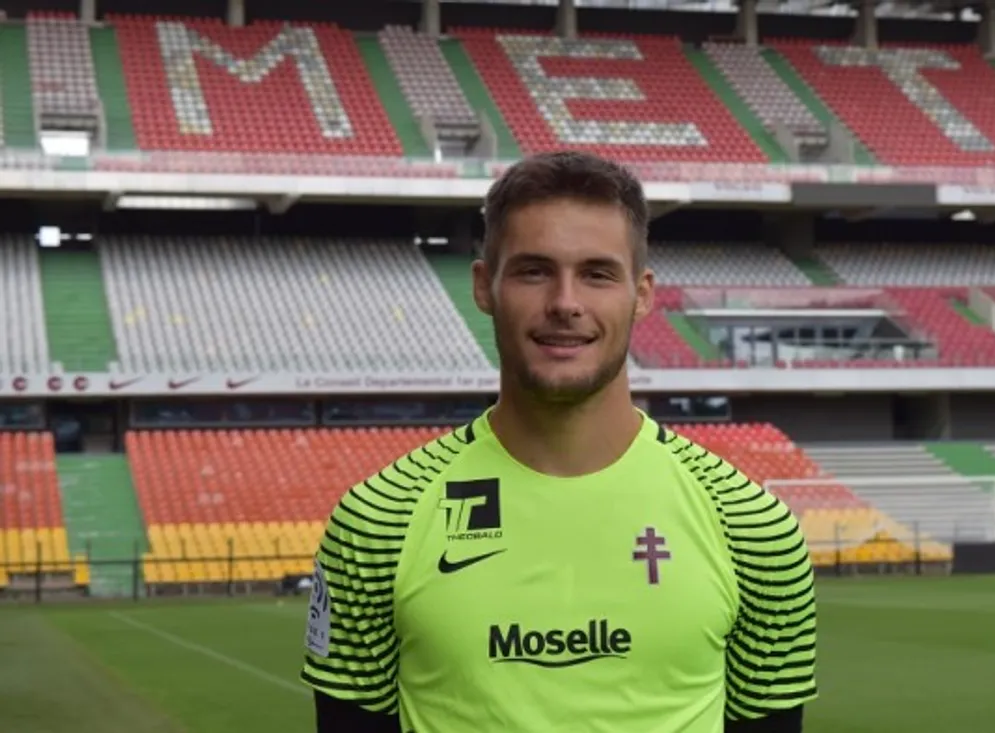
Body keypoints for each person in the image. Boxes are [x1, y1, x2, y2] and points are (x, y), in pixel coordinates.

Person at [300, 150, 818, 733]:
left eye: (598, 274)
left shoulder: (753, 529)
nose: (565, 303)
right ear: (484, 287)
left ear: (642, 294)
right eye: (533, 271)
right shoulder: (377, 522)